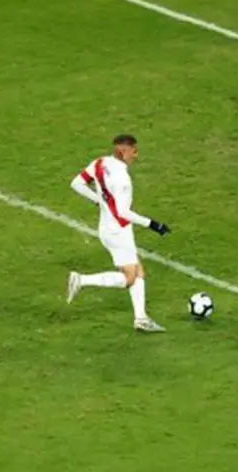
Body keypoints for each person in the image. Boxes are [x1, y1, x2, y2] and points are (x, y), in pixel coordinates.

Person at [67, 134, 171, 332]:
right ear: (124, 151)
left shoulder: (100, 162)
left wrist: (98, 200)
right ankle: (81, 280)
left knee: (138, 270)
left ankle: (141, 318)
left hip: (108, 226)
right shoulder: (123, 179)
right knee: (130, 277)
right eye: (134, 151)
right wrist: (153, 224)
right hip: (118, 231)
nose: (136, 155)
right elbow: (123, 212)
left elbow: (77, 184)